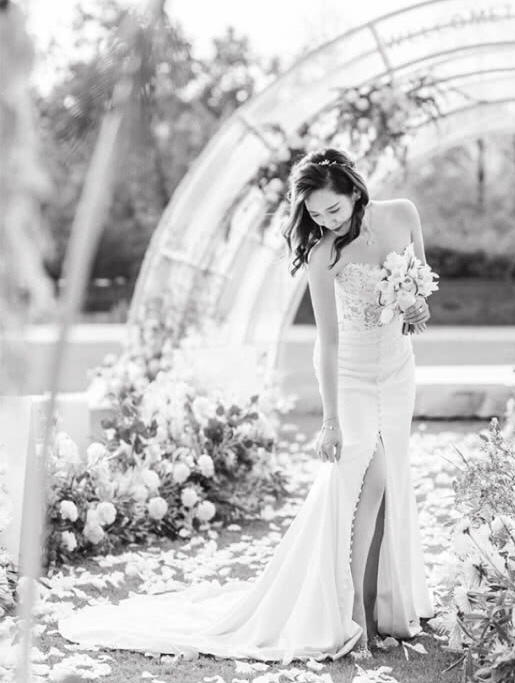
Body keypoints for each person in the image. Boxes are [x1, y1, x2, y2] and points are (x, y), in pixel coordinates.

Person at [58, 147, 435, 662]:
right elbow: (326, 342)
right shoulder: (324, 254)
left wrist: (416, 308)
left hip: (397, 372)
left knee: (390, 483)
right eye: (316, 215)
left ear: (354, 191)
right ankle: (353, 613)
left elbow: (420, 289)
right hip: (350, 375)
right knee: (365, 483)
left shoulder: (403, 215)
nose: (326, 221)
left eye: (333, 209)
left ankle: (386, 603)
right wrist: (329, 421)